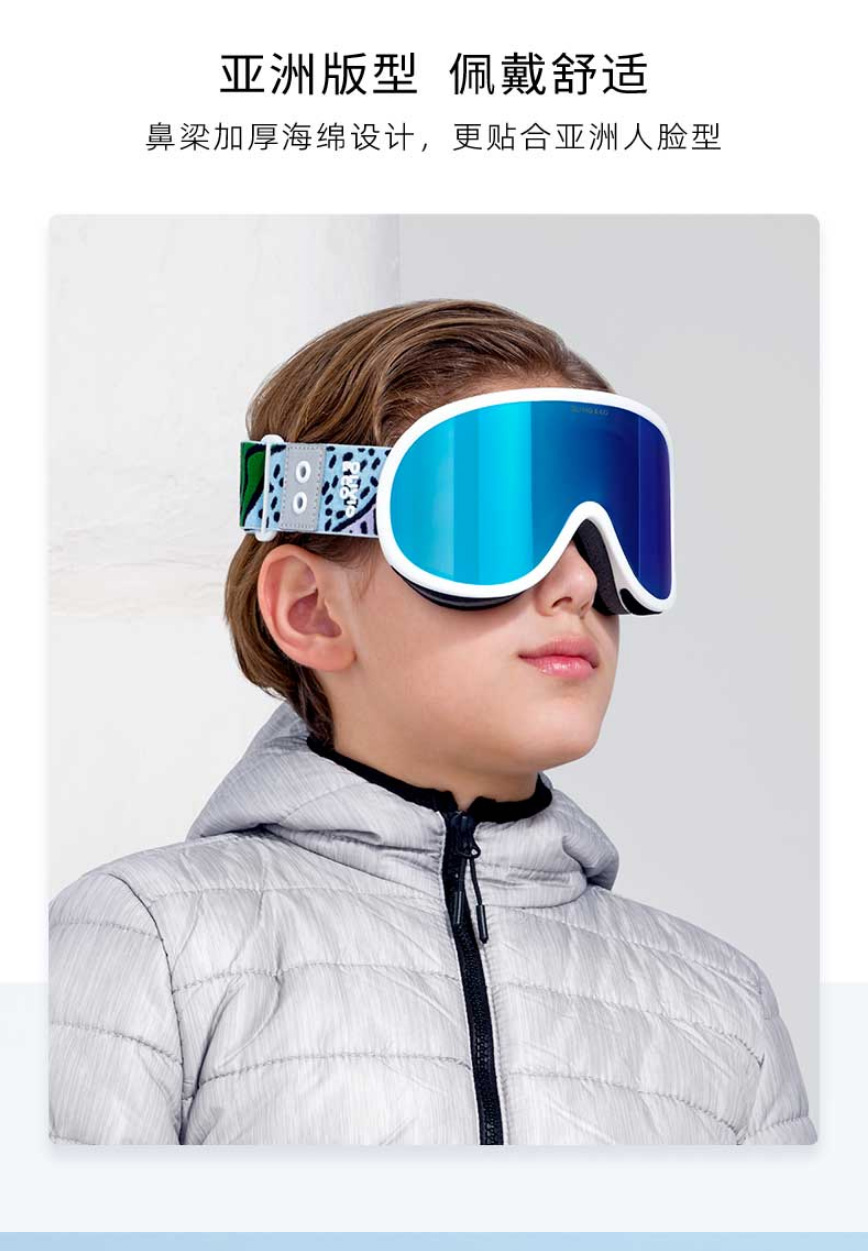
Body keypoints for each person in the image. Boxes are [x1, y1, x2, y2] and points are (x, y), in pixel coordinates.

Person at [49, 298, 816, 1146]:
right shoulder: (149, 946)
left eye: (610, 531)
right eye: (495, 524)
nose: (578, 583)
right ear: (312, 610)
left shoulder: (724, 1014)